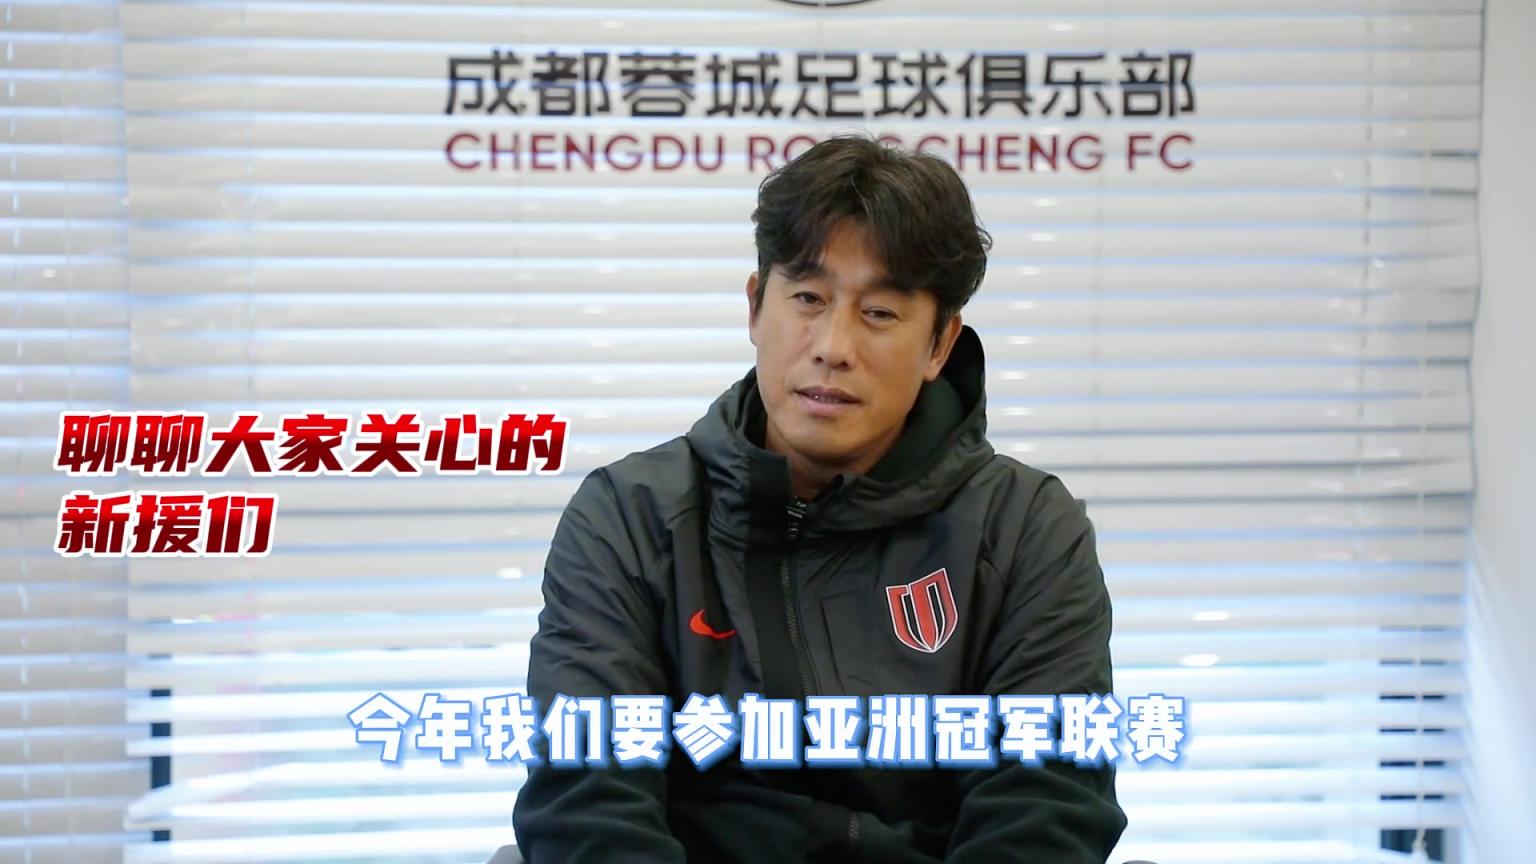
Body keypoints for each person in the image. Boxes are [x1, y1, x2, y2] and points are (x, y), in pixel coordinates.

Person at [509, 135, 1127, 862]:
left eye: (880, 313)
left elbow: (1046, 806)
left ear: (939, 345)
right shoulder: (630, 516)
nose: (833, 345)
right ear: (755, 306)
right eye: (808, 298)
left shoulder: (1024, 530)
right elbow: (586, 802)